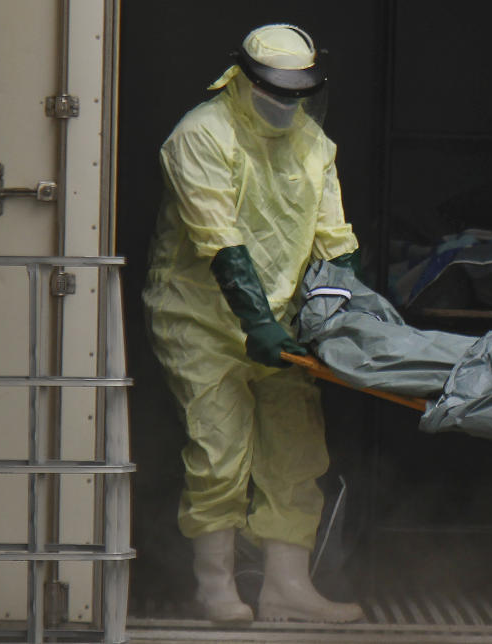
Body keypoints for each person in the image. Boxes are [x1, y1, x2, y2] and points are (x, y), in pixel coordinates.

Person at [142, 24, 363, 624]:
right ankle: (215, 587)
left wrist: (345, 314)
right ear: (242, 79)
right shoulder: (201, 135)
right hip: (200, 318)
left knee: (295, 453)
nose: (289, 105)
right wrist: (255, 321)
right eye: (278, 92)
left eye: (300, 93)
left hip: (283, 327)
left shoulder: (313, 144)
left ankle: (286, 587)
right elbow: (222, 243)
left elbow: (335, 243)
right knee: (219, 451)